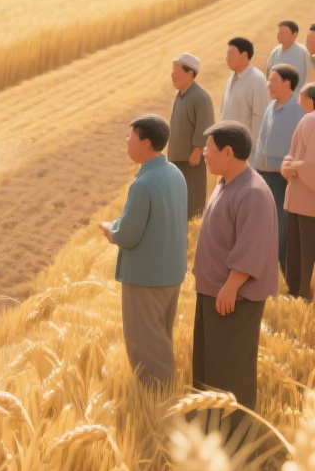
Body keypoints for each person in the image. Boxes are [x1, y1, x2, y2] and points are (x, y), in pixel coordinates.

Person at [193, 121, 280, 435]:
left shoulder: (253, 192)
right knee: (210, 365)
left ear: (227, 152)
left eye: (210, 147)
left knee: (230, 370)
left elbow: (252, 245)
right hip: (213, 293)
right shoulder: (225, 182)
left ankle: (234, 436)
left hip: (233, 299)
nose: (204, 152)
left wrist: (231, 285)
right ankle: (211, 431)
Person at [99, 114, 187, 390]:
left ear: (146, 143)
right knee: (160, 338)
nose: (127, 140)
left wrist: (110, 231)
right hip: (171, 272)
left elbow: (128, 235)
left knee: (145, 346)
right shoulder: (174, 173)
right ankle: (165, 397)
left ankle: (158, 404)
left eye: (131, 136)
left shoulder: (143, 184)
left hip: (146, 277)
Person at [254, 65, 302, 266]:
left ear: (287, 83)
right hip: (265, 176)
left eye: (273, 80)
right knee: (264, 225)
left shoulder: (300, 108)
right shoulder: (269, 108)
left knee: (282, 226)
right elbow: (261, 142)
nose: (268, 84)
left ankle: (284, 268)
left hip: (286, 179)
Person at [169, 53, 215, 218]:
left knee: (192, 204)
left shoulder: (200, 97)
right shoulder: (180, 96)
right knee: (178, 203)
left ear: (190, 73)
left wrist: (197, 151)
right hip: (177, 160)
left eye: (177, 69)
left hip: (191, 161)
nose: (172, 74)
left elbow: (205, 126)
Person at [282, 83, 315, 301]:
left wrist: (291, 167)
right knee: (303, 252)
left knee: (300, 251)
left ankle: (299, 295)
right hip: (304, 197)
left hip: (304, 198)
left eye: (300, 95)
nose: (297, 99)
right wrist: (290, 165)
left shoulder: (310, 120)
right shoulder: (309, 120)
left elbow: (308, 163)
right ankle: (302, 295)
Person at [221, 37, 268, 155]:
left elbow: (260, 117)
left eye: (231, 53)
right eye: (227, 53)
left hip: (244, 150)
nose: (227, 57)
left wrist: (252, 150)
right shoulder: (230, 78)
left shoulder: (256, 79)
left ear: (244, 55)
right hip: (227, 146)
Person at [267, 20, 309, 92]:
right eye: (279, 32)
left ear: (294, 35)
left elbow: (304, 79)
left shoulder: (302, 52)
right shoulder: (276, 50)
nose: (279, 35)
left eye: (284, 33)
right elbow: (268, 72)